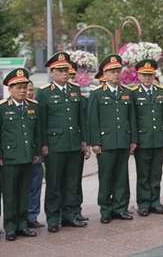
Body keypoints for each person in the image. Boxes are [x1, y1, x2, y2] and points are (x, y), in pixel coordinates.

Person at [37, 52, 88, 232]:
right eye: (60, 70)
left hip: (74, 143)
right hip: (55, 145)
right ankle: (53, 218)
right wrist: (43, 145)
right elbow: (41, 122)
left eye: (66, 70)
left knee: (72, 182)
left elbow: (81, 118)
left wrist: (84, 141)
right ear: (52, 72)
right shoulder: (43, 93)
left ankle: (70, 215)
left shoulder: (75, 90)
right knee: (54, 183)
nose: (64, 73)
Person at [88, 54, 137, 223]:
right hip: (106, 143)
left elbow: (131, 119)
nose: (116, 74)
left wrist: (133, 140)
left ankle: (120, 208)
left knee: (122, 177)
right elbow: (93, 120)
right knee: (106, 177)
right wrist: (95, 142)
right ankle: (106, 210)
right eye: (112, 72)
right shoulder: (96, 94)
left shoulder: (127, 93)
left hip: (123, 141)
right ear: (105, 75)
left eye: (118, 71)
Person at [0, 68, 41, 241]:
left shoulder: (33, 106)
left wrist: (37, 152)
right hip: (9, 159)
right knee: (10, 194)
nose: (23, 90)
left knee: (24, 192)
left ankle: (22, 225)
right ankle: (10, 227)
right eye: (18, 87)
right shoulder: (2, 108)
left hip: (27, 156)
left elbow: (37, 132)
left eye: (25, 87)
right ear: (10, 89)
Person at [131, 59, 163, 216]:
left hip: (159, 139)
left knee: (156, 173)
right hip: (143, 140)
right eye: (144, 75)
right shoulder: (134, 94)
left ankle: (155, 202)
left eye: (150, 75)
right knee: (143, 175)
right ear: (138, 76)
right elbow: (133, 119)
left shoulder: (161, 92)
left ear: (154, 75)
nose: (147, 78)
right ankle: (143, 203)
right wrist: (134, 140)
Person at [69, 61, 90, 223]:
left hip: (77, 144)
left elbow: (83, 121)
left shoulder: (78, 95)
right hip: (60, 145)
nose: (69, 77)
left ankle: (76, 210)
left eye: (71, 75)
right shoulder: (48, 93)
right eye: (66, 74)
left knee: (76, 181)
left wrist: (85, 142)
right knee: (61, 182)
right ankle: (64, 213)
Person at [25, 81, 45, 230]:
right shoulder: (5, 107)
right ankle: (17, 218)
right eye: (25, 89)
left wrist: (39, 152)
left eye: (31, 90)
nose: (28, 92)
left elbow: (40, 132)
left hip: (35, 156)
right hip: (17, 157)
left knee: (35, 186)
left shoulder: (35, 107)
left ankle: (32, 217)